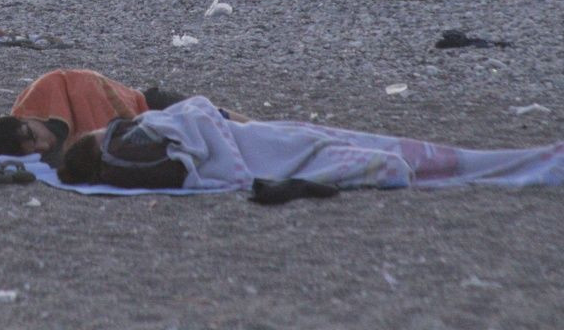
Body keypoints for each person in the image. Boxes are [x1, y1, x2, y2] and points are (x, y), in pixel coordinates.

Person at [58, 96, 564, 193]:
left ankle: (531, 162)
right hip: (265, 146)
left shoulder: (126, 156)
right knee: (395, 153)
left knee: (400, 153)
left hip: (264, 145)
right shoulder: (126, 143)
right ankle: (533, 163)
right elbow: (195, 117)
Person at [0, 68, 249, 166]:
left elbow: (87, 83)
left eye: (33, 136)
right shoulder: (39, 159)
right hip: (150, 134)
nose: (43, 146)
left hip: (143, 103)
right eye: (34, 151)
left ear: (22, 119)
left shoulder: (43, 94)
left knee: (217, 117)